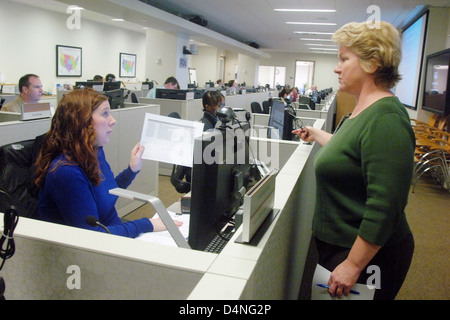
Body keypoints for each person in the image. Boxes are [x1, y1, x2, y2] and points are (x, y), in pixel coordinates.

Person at [293, 21, 415, 300]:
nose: (337, 68)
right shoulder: (364, 110)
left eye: (344, 59)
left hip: (365, 254)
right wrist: (316, 134)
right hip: (341, 244)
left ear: (372, 63)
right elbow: (350, 151)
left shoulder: (386, 119)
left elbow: (386, 205)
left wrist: (354, 264)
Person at [34, 88, 182, 238]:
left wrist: (132, 170)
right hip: (100, 244)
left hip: (113, 231)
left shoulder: (94, 152)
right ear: (81, 121)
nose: (113, 120)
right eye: (105, 114)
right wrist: (147, 224)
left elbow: (107, 194)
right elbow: (92, 236)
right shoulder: (66, 172)